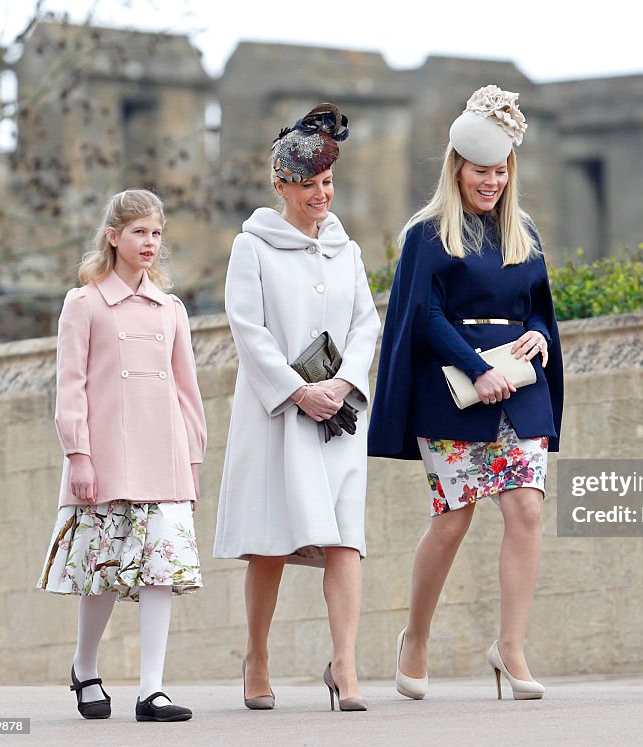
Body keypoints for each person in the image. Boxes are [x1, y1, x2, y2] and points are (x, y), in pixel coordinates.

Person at [368, 85, 563, 701]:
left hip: (519, 385)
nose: (492, 182)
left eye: (501, 172)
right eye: (482, 171)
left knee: (526, 509)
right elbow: (423, 316)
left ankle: (510, 649)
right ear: (458, 168)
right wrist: (476, 369)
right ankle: (416, 637)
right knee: (452, 521)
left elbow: (537, 306)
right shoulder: (427, 234)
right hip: (454, 385)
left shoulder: (523, 229)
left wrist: (535, 335)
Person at [212, 103, 379, 712]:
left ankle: (347, 666)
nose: (320, 194)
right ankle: (257, 657)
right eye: (307, 183)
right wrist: (297, 390)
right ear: (280, 184)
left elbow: (366, 324)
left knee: (345, 541)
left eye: (328, 183)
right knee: (271, 542)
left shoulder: (348, 250)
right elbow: (246, 329)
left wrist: (341, 385)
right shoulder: (251, 246)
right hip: (277, 416)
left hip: (338, 419)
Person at [38, 189, 207, 722]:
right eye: (138, 232)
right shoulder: (83, 304)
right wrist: (79, 455)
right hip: (106, 457)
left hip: (167, 457)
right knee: (103, 571)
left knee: (161, 571)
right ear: (113, 237)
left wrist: (194, 460)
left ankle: (151, 690)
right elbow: (70, 386)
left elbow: (187, 391)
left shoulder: (171, 309)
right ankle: (85, 667)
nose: (149, 242)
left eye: (156, 233)